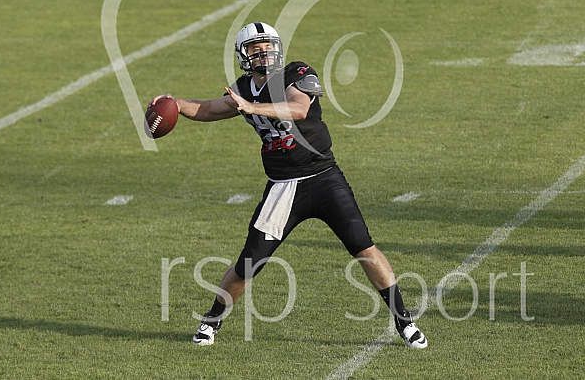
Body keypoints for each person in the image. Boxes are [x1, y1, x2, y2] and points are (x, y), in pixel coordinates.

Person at [149, 22, 427, 349]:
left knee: (363, 248)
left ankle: (403, 321)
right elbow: (210, 108)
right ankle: (211, 321)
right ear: (244, 54)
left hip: (324, 177)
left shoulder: (296, 72)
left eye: (267, 45)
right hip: (283, 187)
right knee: (248, 263)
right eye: (255, 47)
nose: (263, 52)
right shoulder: (243, 89)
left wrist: (252, 108)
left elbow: (298, 107)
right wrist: (176, 104)